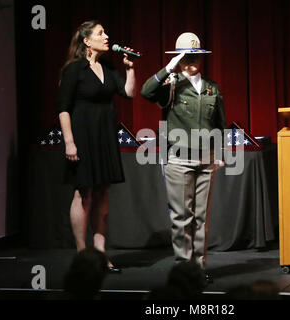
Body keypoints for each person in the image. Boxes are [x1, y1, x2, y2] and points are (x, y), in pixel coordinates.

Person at [141, 32, 226, 285]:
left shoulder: (212, 87)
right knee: (181, 218)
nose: (190, 61)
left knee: (201, 218)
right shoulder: (171, 83)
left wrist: (219, 154)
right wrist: (168, 67)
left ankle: (198, 269)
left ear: (201, 58)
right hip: (179, 158)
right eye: (185, 57)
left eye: (195, 56)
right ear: (178, 59)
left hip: (206, 158)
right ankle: (182, 269)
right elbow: (146, 92)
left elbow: (219, 124)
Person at [57, 20, 136, 273]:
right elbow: (63, 109)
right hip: (83, 138)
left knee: (103, 193)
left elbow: (128, 93)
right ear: (86, 41)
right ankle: (83, 254)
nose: (107, 36)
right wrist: (69, 142)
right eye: (101, 33)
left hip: (105, 139)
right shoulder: (74, 70)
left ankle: (101, 254)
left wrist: (130, 69)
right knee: (84, 194)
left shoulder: (109, 67)